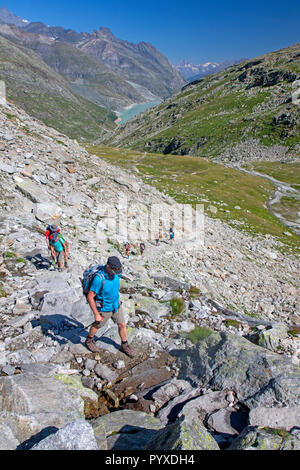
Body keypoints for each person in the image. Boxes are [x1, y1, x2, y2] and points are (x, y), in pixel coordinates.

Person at [85, 256, 135, 357]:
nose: (116, 273)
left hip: (116, 305)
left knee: (122, 324)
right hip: (104, 308)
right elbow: (90, 297)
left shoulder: (116, 273)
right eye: (114, 270)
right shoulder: (99, 279)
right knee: (97, 325)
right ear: (108, 266)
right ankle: (89, 340)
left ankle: (124, 345)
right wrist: (96, 314)